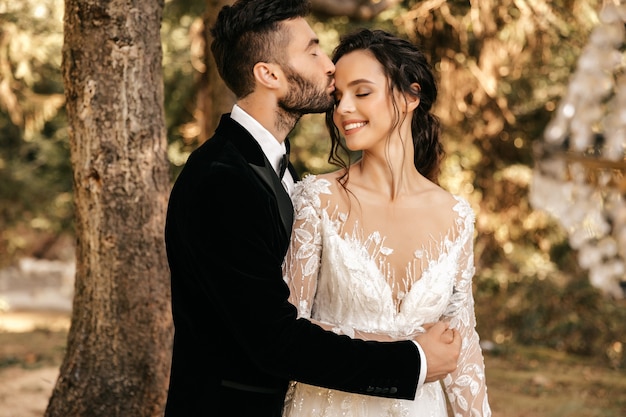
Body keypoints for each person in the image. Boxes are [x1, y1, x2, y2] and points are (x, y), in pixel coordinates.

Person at [163, 1, 462, 416]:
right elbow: (274, 340)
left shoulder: (277, 169)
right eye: (313, 50)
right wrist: (413, 361)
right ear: (269, 74)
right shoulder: (221, 180)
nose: (329, 66)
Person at [282, 28, 491, 416]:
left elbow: (463, 351)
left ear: (411, 95)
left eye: (361, 93)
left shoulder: (456, 215)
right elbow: (288, 331)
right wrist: (412, 352)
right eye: (338, 96)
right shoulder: (317, 201)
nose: (343, 108)